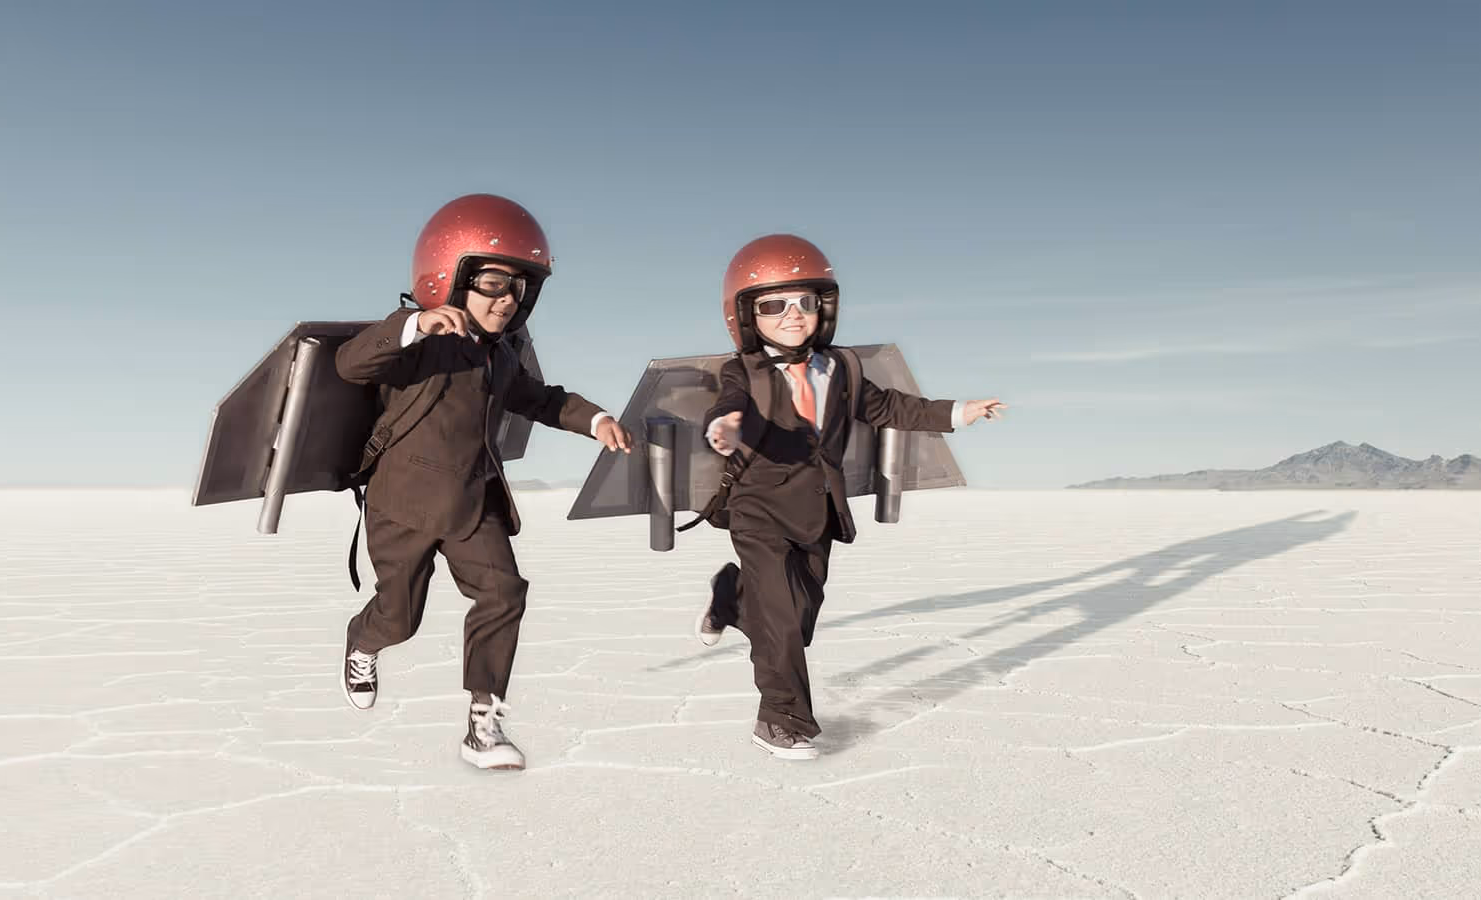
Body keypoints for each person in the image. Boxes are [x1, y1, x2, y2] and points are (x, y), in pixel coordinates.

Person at [335, 194, 633, 771]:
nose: (508, 299)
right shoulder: (419, 343)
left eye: (518, 288)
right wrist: (414, 325)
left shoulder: (501, 356)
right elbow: (351, 363)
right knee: (399, 619)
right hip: (403, 506)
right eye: (494, 283)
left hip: (472, 504)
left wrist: (594, 419)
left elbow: (540, 399)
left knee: (504, 594)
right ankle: (363, 641)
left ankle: (484, 721)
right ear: (450, 275)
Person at [693, 234, 1005, 759]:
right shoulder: (741, 371)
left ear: (826, 308)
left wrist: (958, 412)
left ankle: (732, 595)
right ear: (745, 315)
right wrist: (723, 426)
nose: (793, 315)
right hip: (758, 510)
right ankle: (779, 720)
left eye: (805, 302)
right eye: (773, 306)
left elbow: (890, 408)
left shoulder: (843, 368)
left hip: (817, 512)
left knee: (799, 618)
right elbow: (729, 404)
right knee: (782, 622)